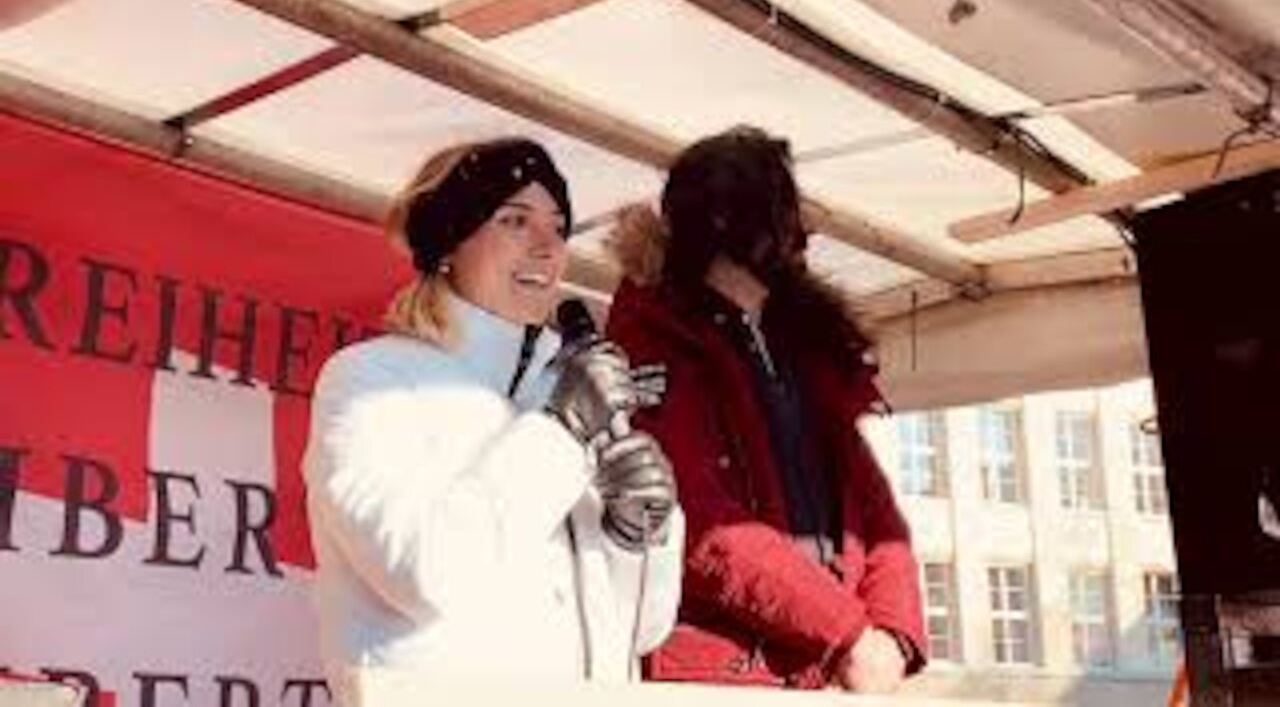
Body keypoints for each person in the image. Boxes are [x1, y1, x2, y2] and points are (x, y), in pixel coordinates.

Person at [302, 137, 684, 705]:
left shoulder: (575, 388)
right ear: (450, 243)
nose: (547, 247)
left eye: (558, 227)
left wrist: (635, 535)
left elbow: (644, 630)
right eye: (515, 220)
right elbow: (423, 572)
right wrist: (560, 429)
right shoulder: (369, 382)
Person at [604, 127, 926, 691]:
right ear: (726, 221)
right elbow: (698, 520)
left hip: (826, 667)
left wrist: (892, 632)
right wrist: (849, 633)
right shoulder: (656, 338)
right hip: (729, 672)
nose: (803, 229)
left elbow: (877, 513)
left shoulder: (804, 349)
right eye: (782, 206)